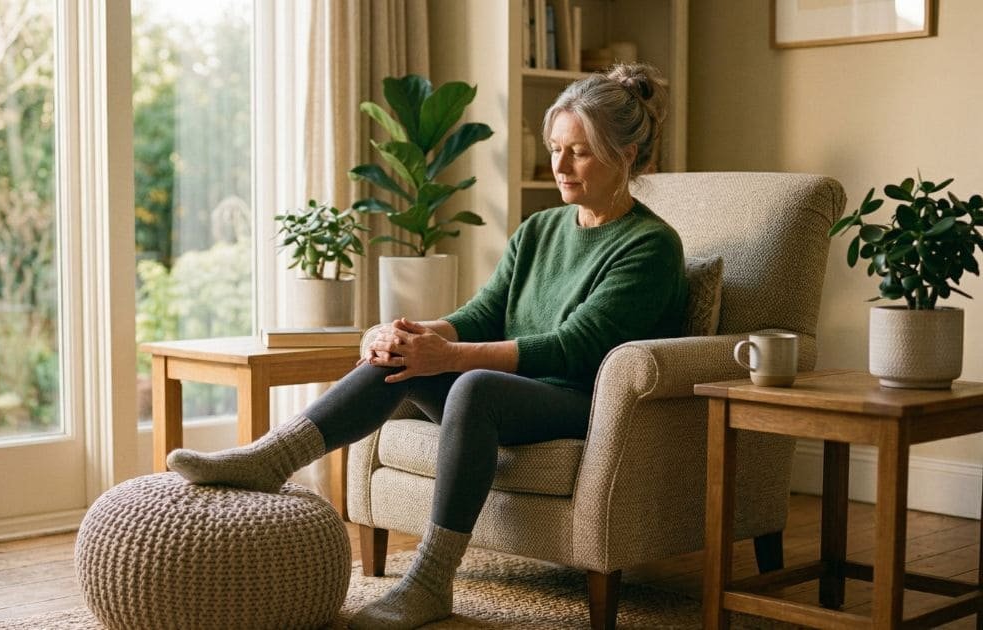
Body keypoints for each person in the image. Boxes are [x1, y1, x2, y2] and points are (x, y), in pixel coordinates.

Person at [167, 62, 688, 630]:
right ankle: (272, 459)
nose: (559, 165)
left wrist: (451, 358)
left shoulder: (652, 246)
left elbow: (574, 347)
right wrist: (412, 335)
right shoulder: (541, 229)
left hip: (581, 401)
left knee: (474, 386)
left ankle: (431, 582)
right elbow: (483, 315)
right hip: (519, 389)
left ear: (627, 156)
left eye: (579, 152)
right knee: (406, 356)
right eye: (556, 147)